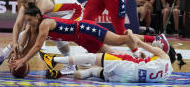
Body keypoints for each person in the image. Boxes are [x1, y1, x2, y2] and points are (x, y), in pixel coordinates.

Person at [10, 12, 173, 82]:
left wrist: (22, 59)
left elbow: (37, 46)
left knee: (119, 40)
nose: (28, 24)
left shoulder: (45, 23)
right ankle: (60, 72)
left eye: (30, 20)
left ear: (37, 18)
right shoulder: (33, 27)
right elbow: (26, 40)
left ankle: (155, 39)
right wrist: (18, 57)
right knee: (108, 55)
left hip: (85, 29)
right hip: (80, 39)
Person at [0, 0, 85, 66]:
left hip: (74, 12)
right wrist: (15, 43)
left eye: (24, 3)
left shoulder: (41, 5)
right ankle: (1, 56)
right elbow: (18, 24)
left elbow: (32, 36)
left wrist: (21, 57)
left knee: (52, 32)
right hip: (59, 13)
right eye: (21, 3)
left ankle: (72, 65)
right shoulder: (27, 3)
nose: (23, 6)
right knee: (45, 31)